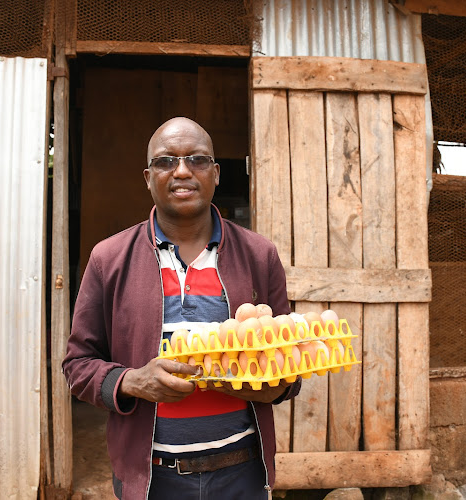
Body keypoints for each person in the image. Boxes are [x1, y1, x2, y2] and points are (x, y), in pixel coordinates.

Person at [63, 117, 301, 500]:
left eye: (198, 159)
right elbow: (77, 365)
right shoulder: (109, 259)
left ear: (217, 173)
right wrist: (133, 382)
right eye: (165, 161)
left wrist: (269, 386)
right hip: (153, 480)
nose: (183, 171)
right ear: (147, 176)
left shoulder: (259, 256)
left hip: (241, 476)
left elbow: (291, 366)